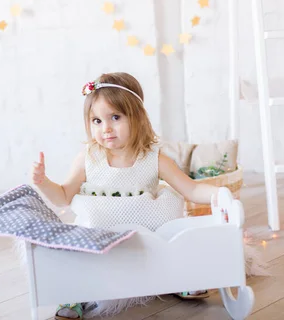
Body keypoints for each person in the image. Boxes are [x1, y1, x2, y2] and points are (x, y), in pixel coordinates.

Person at [31, 72, 221, 319]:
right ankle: (75, 294)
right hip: (101, 231)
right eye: (96, 121)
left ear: (138, 118)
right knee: (78, 257)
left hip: (146, 230)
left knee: (173, 241)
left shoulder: (154, 159)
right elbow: (63, 196)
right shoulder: (88, 159)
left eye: (115, 117)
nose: (106, 128)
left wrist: (219, 194)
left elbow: (191, 189)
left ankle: (178, 278)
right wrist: (43, 182)